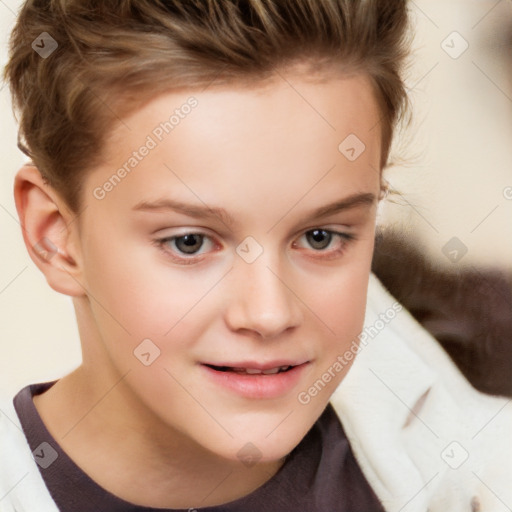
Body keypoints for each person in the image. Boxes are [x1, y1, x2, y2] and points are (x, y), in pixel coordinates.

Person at [1, 1, 511, 511]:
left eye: (320, 236)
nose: (269, 314)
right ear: (55, 236)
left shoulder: (471, 469)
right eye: (190, 243)